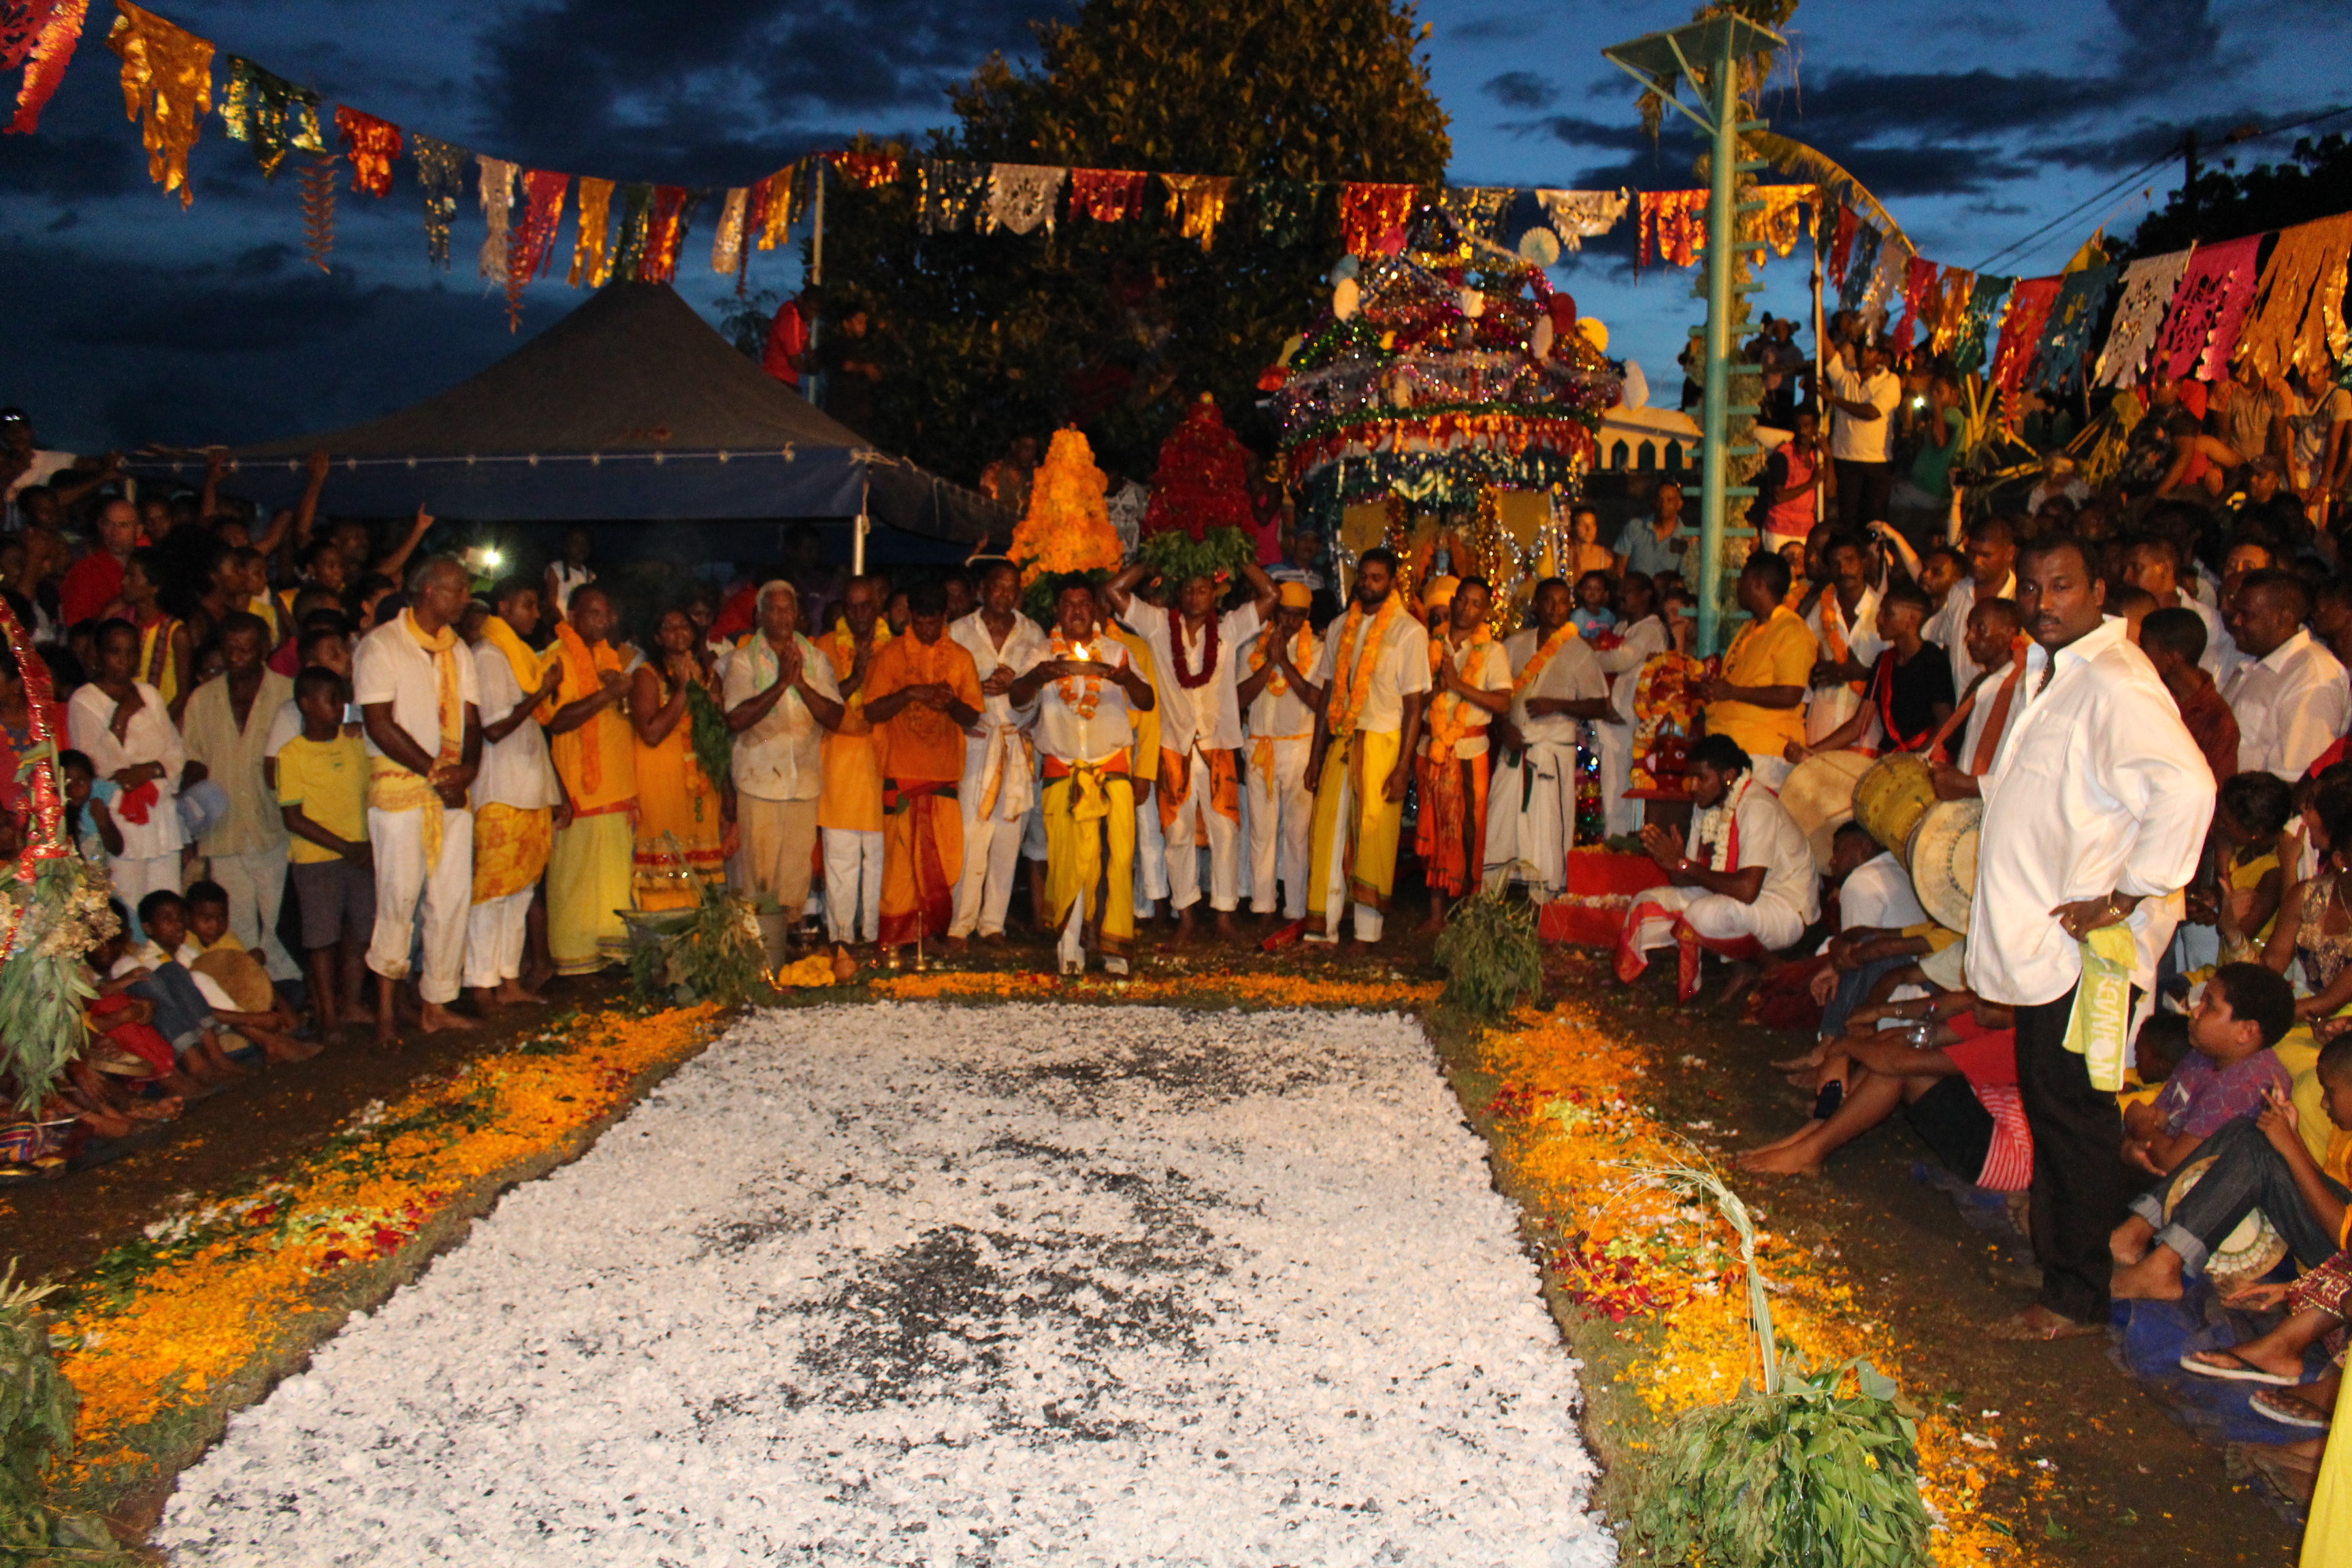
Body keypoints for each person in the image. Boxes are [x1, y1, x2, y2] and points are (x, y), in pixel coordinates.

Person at [1968, 534, 2215, 1341]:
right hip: (2050, 946)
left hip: (2087, 953)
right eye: (2033, 588)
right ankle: (2064, 1260)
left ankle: (2074, 1297)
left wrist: (2126, 893)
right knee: (2056, 1105)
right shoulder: (2057, 671)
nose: (2044, 603)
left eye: (2062, 587)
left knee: (2074, 1114)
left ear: (2097, 589)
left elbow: (2187, 787)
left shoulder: (2114, 680)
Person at [2108, 965, 2307, 1300]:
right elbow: (2159, 1122)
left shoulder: (2250, 1082)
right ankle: (2129, 1239)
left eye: (2210, 1005)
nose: (2195, 1010)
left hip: (2213, 1213)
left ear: (2246, 1031)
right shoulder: (2202, 1056)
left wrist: (2139, 1124)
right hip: (2168, 1181)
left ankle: (2141, 1248)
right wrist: (2134, 1145)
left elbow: (2173, 1159)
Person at [1106, 557, 1275, 942]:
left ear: (1215, 593)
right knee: (1177, 834)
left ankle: (1224, 916)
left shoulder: (1230, 628)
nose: (1195, 596)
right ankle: (1186, 918)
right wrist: (1148, 562)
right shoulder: (1158, 626)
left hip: (1218, 746)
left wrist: (1240, 557)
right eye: (1188, 590)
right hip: (1173, 747)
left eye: (1203, 589)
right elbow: (1114, 592)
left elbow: (1272, 594)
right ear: (1178, 594)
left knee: (1227, 833)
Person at [354, 557, 480, 1044]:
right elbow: (379, 723)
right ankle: (385, 1010)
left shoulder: (458, 651)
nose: (465, 598)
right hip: (402, 790)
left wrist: (465, 771)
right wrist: (434, 770)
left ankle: (435, 1003)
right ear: (428, 590)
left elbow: (471, 721)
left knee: (451, 897)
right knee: (398, 897)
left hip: (449, 791)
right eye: (458, 589)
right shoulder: (382, 645)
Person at [1004, 582, 1157, 973]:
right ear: (1057, 609)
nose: (1076, 610)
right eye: (1069, 603)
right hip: (1063, 771)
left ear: (1096, 609)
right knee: (1070, 863)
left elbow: (1147, 700)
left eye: (1084, 603)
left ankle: (1114, 949)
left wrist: (1124, 680)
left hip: (1111, 770)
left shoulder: (1116, 652)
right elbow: (1017, 698)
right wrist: (1038, 677)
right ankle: (1070, 949)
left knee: (1116, 861)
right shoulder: (1040, 653)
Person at [1618, 734, 1818, 1002]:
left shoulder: (1757, 806)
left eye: (1702, 778)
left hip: (1784, 908)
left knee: (1706, 915)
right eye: (1691, 778)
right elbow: (1690, 879)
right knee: (1649, 902)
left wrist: (1685, 865)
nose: (1693, 786)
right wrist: (1672, 864)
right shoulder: (1707, 806)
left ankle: (1771, 966)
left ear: (1728, 776)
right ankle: (1736, 967)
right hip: (1736, 899)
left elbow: (1747, 890)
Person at [1303, 549, 1428, 945]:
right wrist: (1314, 755)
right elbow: (1327, 694)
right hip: (1341, 739)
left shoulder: (1409, 631)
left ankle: (1367, 933)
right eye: (1364, 576)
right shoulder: (1341, 625)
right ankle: (1322, 928)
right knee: (1329, 829)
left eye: (1377, 577)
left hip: (1382, 742)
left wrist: (1403, 767)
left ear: (1392, 582)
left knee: (1373, 836)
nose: (1368, 584)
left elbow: (1414, 707)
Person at [862, 582, 982, 956]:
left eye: (934, 623)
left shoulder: (961, 658)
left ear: (945, 618)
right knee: (900, 864)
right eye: (920, 622)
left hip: (944, 774)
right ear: (910, 617)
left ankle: (930, 936)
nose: (927, 631)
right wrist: (912, 693)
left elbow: (973, 714)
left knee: (942, 861)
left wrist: (948, 703)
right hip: (902, 771)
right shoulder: (891, 655)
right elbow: (870, 711)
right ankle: (898, 940)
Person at [178, 613, 296, 981]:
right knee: (238, 920)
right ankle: (251, 996)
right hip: (223, 826)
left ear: (265, 648)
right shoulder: (203, 699)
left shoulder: (288, 693)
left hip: (273, 823)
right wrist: (191, 819)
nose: (238, 655)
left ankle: (288, 988)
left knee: (280, 917)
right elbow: (192, 760)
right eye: (231, 648)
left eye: (247, 647)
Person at [464, 578, 563, 1010]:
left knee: (521, 893)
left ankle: (507, 980)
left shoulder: (520, 658)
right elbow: (495, 726)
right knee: (491, 894)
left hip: (530, 790)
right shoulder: (488, 656)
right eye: (527, 603)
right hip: (500, 791)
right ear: (503, 607)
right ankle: (481, 986)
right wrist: (541, 691)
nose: (535, 614)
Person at [1483, 578, 1610, 902]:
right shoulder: (1514, 645)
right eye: (1549, 601)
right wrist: (1502, 727)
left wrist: (1557, 705)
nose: (1556, 609)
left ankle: (1547, 896)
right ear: (1536, 605)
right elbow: (1498, 694)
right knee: (1502, 816)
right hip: (1515, 745)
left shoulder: (1579, 651)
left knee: (1549, 823)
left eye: (1563, 602)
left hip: (1552, 749)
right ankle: (1495, 888)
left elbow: (1599, 704)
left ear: (1571, 607)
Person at [947, 559, 1048, 944]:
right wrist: (976, 686)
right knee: (972, 834)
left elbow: (1042, 694)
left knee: (1009, 836)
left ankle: (993, 923)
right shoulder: (958, 632)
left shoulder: (1032, 633)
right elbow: (947, 687)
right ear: (981, 590)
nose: (1004, 594)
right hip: (976, 743)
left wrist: (1017, 685)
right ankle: (961, 922)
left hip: (1016, 744)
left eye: (1011, 588)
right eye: (997, 587)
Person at [67, 619, 184, 936]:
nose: (124, 661)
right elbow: (99, 766)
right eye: (115, 652)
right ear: (99, 655)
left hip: (160, 810)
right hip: (119, 814)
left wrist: (149, 770)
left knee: (167, 898)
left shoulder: (150, 694)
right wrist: (121, 718)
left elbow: (175, 752)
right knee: (129, 898)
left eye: (131, 653)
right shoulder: (85, 700)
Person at [542, 584, 636, 978]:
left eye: (606, 613)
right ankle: (574, 965)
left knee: (614, 883)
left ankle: (613, 960)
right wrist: (607, 694)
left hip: (618, 788)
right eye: (592, 613)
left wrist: (619, 692)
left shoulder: (612, 659)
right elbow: (553, 720)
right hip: (577, 790)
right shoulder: (555, 658)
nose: (601, 620)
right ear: (572, 615)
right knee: (573, 884)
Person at [1418, 577, 1512, 928]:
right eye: (1463, 601)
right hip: (1431, 750)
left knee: (1470, 830)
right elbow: (1413, 701)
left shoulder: (1492, 651)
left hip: (1470, 751)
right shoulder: (1429, 644)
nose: (1466, 609)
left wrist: (1458, 685)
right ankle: (1436, 914)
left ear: (1484, 611)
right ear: (1454, 600)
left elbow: (1503, 702)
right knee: (1434, 827)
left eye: (1476, 604)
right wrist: (1437, 689)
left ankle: (1471, 913)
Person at [1235, 582, 1322, 927]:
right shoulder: (1251, 650)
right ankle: (1263, 907)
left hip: (1299, 747)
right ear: (1274, 613)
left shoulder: (1317, 650)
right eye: (1284, 612)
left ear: (1306, 617)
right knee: (1261, 832)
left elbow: (1317, 701)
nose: (1289, 620)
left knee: (1297, 835)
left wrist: (1285, 662)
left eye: (1297, 615)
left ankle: (1297, 910)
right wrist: (1268, 663)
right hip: (1260, 748)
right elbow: (1240, 698)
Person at [631, 606, 730, 906]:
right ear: (658, 638)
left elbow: (718, 737)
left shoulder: (710, 676)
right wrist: (685, 691)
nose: (679, 634)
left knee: (700, 871)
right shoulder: (646, 676)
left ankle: (698, 941)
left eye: (684, 626)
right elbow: (651, 733)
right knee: (666, 867)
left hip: (701, 787)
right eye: (669, 628)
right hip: (661, 785)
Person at [1788, 580, 1952, 760]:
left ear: (1911, 620)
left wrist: (1917, 759)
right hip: (1892, 760)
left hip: (1924, 761)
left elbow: (1945, 722)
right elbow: (1860, 723)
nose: (1878, 619)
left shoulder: (1932, 659)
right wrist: (1810, 753)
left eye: (1888, 614)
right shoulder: (1884, 660)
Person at [802, 577, 883, 943]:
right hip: (838, 762)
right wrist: (856, 677)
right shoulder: (822, 649)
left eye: (867, 605)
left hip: (881, 760)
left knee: (878, 859)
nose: (859, 613)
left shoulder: (896, 647)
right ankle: (841, 938)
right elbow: (822, 706)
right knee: (841, 859)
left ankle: (873, 935)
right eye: (852, 606)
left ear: (878, 605)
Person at [2223, 569, 2350, 783]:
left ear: (2284, 618)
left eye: (2247, 614)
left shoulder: (2312, 676)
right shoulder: (2254, 662)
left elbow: (2297, 777)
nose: (2236, 621)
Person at [1701, 552, 1812, 789]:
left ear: (1757, 583)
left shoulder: (1791, 629)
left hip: (1763, 753)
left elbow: (1790, 694)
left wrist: (1732, 692)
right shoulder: (1751, 628)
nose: (1737, 586)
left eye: (1742, 579)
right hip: (1732, 747)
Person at [2140, 606, 2239, 785]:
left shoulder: (2218, 723)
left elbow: (2216, 790)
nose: (2139, 653)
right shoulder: (2148, 689)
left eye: (2144, 646)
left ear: (2172, 657)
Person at [1800, 534, 1882, 747]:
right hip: (1822, 727)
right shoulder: (1818, 611)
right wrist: (1814, 674)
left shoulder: (1884, 611)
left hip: (1868, 735)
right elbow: (1804, 664)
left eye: (1849, 560)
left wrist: (1863, 673)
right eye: (1836, 564)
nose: (1844, 570)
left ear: (1864, 562)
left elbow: (1898, 673)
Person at [1921, 519, 2018, 698]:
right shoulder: (1958, 591)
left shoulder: (2020, 600)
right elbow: (1941, 639)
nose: (1975, 561)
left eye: (1986, 555)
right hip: (1959, 708)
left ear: (2009, 553)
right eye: (1971, 552)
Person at [1818, 337, 1900, 537]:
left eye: (1870, 350)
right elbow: (1825, 345)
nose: (1865, 354)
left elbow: (1872, 413)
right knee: (1847, 522)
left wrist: (1835, 400)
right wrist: (1817, 310)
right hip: (1846, 460)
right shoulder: (1845, 377)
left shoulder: (1890, 381)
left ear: (1880, 356)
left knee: (1874, 525)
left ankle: (1873, 565)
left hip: (1876, 463)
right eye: (1862, 349)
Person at [59, 497, 139, 628]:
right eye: (109, 524)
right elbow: (77, 628)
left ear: (139, 530)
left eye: (124, 525)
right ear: (100, 526)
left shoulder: (148, 565)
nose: (115, 533)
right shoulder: (85, 571)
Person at [1755, 409, 1825, 556]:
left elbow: (1830, 491)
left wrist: (1829, 457)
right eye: (1798, 425)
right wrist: (1811, 483)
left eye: (1807, 426)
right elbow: (1778, 497)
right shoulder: (1783, 454)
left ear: (1816, 427)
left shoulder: (1818, 455)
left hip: (1806, 530)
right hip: (1779, 528)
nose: (1802, 431)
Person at [1612, 482, 1686, 581]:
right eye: (1660, 499)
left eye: (1670, 500)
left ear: (1680, 504)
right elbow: (1620, 569)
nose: (1664, 504)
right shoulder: (1634, 527)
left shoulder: (1686, 538)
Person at [544, 527, 595, 623]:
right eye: (576, 542)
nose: (581, 547)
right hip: (560, 627)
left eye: (585, 543)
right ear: (566, 547)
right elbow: (551, 604)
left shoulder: (589, 574)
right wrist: (564, 626)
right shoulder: (556, 569)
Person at [1561, 506, 1616, 580]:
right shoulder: (1566, 554)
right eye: (1583, 525)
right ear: (1574, 527)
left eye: (1592, 525)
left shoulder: (1606, 557)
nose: (1589, 529)